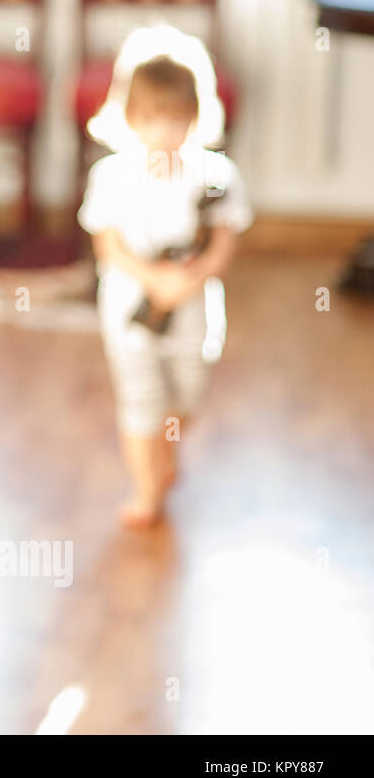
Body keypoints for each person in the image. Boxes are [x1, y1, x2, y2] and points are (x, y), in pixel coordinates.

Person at [77, 26, 254, 529]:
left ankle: (165, 448)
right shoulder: (111, 177)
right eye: (153, 118)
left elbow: (225, 238)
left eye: (177, 118)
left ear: (195, 116)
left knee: (188, 396)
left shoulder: (216, 176)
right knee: (139, 399)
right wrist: (152, 279)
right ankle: (146, 488)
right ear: (132, 118)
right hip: (130, 313)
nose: (165, 130)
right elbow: (106, 243)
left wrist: (192, 278)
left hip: (195, 312)